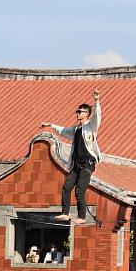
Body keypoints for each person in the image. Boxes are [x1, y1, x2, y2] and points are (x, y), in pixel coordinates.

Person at [41, 89, 103, 225]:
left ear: (86, 114)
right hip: (76, 165)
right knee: (66, 187)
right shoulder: (76, 129)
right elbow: (63, 131)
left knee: (79, 190)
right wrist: (51, 125)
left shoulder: (91, 127)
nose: (77, 113)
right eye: (77, 111)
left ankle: (82, 216)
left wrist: (97, 101)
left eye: (79, 112)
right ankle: (65, 213)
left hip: (87, 164)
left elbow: (97, 116)